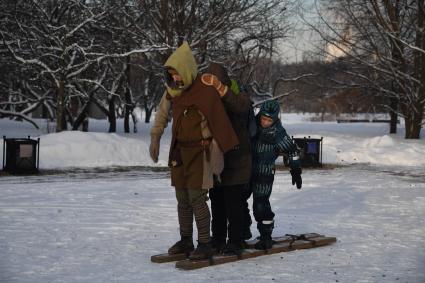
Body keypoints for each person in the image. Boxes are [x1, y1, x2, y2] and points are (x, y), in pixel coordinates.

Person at [149, 42, 239, 260]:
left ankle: (205, 243)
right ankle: (186, 240)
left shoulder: (205, 91)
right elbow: (162, 113)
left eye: (178, 74)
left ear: (187, 71)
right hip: (180, 153)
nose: (175, 79)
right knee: (182, 199)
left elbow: (223, 114)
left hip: (201, 153)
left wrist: (221, 149)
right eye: (171, 74)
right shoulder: (172, 91)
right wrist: (155, 137)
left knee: (197, 199)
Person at [203, 63, 253, 255]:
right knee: (217, 202)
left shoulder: (238, 94)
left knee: (234, 203)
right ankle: (217, 239)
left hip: (238, 158)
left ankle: (236, 240)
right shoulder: (210, 98)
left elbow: (242, 108)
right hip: (218, 159)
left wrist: (221, 89)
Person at [249, 100, 302, 250]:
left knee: (261, 205)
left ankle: (266, 236)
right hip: (246, 170)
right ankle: (241, 232)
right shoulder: (252, 124)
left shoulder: (278, 132)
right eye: (263, 118)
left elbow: (293, 151)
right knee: (238, 201)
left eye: (269, 120)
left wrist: (295, 170)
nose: (265, 122)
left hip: (264, 173)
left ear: (275, 119)